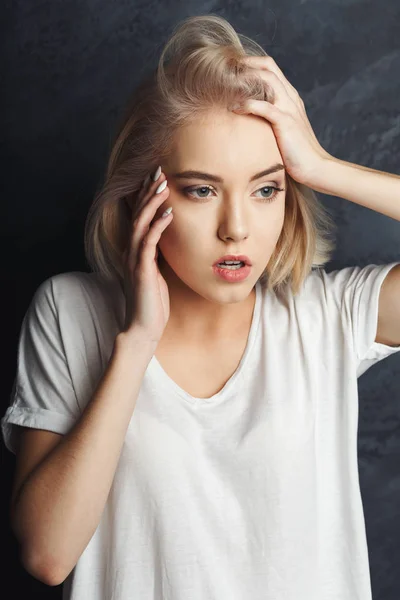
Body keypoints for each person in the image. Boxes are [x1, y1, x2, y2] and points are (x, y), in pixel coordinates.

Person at [2, 13, 400, 600]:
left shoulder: (327, 320)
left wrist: (321, 167)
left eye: (267, 189)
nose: (237, 228)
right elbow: (47, 555)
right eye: (201, 190)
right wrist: (137, 342)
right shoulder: (69, 311)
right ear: (145, 194)